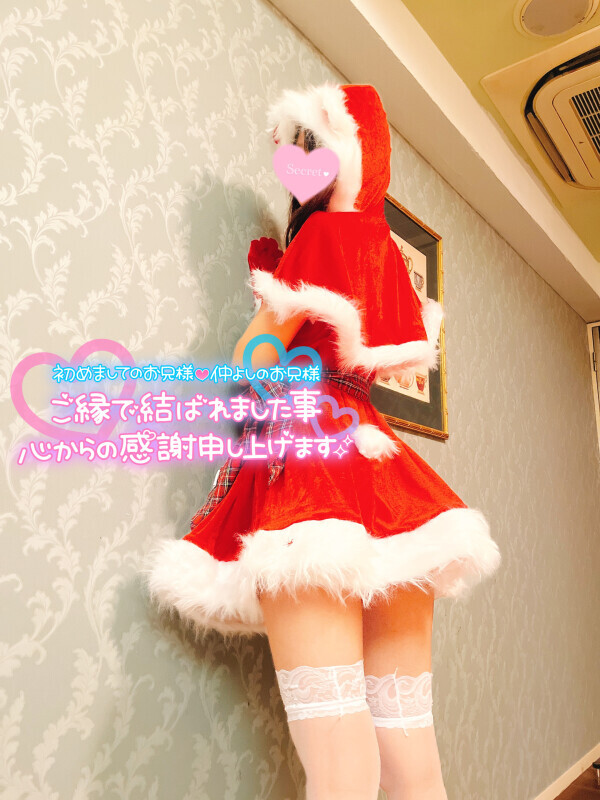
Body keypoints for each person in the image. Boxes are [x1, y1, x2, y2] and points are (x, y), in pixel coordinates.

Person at [141, 82, 502, 800]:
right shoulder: (380, 249)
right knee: (412, 760)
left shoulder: (322, 238)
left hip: (315, 462)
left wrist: (263, 317)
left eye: (307, 147)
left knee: (338, 768)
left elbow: (256, 362)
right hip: (381, 466)